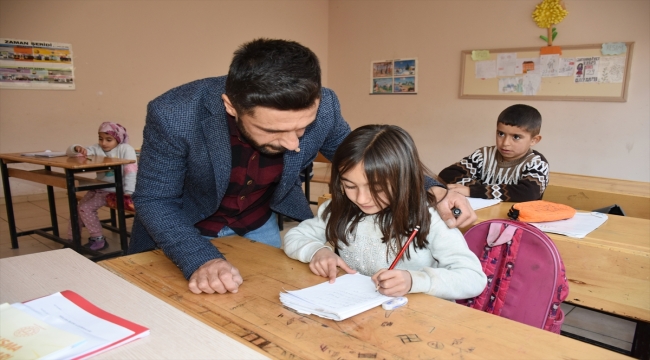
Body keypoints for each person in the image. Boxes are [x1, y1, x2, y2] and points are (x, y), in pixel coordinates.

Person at [129, 38, 476, 295]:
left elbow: (362, 156)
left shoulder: (325, 107)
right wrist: (200, 258)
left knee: (268, 300)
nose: (294, 143)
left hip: (257, 221)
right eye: (274, 130)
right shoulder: (174, 113)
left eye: (302, 127)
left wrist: (432, 186)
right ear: (231, 106)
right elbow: (156, 200)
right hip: (185, 228)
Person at [283, 125, 486, 299]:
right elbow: (294, 236)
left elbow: (473, 278)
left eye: (377, 189)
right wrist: (317, 251)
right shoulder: (338, 208)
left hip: (418, 319)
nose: (362, 199)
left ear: (403, 180)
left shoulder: (431, 217)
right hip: (358, 312)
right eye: (350, 186)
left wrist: (414, 281)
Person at [439, 104, 548, 202]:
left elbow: (528, 193)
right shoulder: (483, 155)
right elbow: (448, 174)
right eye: (501, 134)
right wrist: (477, 189)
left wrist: (473, 191)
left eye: (516, 137)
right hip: (483, 213)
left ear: (534, 140)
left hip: (518, 221)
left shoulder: (537, 163)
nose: (505, 143)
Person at [66, 122, 138, 251]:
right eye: (100, 138)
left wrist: (129, 190)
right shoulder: (96, 149)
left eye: (108, 139)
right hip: (98, 187)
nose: (103, 143)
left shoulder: (125, 149)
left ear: (118, 138)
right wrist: (76, 148)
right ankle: (73, 239)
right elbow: (72, 154)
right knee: (77, 208)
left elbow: (131, 170)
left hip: (113, 190)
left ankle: (98, 239)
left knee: (85, 208)